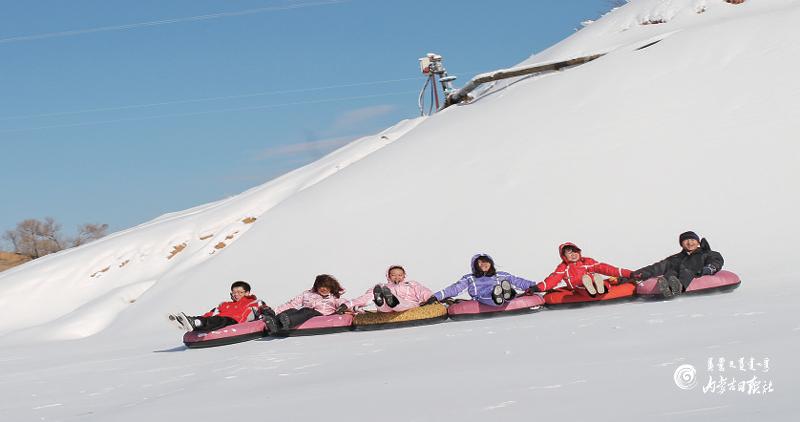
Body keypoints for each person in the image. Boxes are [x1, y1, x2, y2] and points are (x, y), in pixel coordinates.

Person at [630, 231, 724, 297]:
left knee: (687, 271)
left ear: (698, 242)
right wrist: (638, 273)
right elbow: (658, 266)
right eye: (686, 240)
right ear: (681, 244)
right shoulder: (676, 258)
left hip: (696, 272)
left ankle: (679, 287)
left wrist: (709, 268)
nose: (690, 243)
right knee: (671, 273)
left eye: (692, 240)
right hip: (674, 275)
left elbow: (716, 261)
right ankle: (666, 288)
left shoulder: (706, 253)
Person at [423, 253, 535, 306]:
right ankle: (499, 295)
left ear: (490, 263)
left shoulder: (501, 275)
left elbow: (519, 282)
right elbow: (454, 289)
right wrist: (436, 297)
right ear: (475, 265)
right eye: (480, 262)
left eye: (486, 261)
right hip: (483, 297)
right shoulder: (470, 278)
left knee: (504, 286)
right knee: (490, 294)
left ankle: (507, 294)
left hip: (500, 291)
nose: (483, 264)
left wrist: (536, 286)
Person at [533, 242, 632, 297]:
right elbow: (553, 279)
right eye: (570, 253)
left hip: (593, 281)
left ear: (579, 252)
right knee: (583, 285)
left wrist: (629, 274)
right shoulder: (563, 267)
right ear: (563, 256)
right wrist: (538, 288)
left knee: (599, 280)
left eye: (575, 252)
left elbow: (606, 268)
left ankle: (600, 287)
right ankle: (593, 288)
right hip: (579, 287)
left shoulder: (587, 261)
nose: (573, 255)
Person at [264, 274, 349, 334]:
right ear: (316, 286)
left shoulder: (334, 298)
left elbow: (344, 304)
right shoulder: (307, 294)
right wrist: (274, 311)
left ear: (331, 288)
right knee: (292, 310)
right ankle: (274, 322)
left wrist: (347, 309)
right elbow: (291, 304)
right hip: (304, 312)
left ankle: (288, 322)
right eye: (321, 286)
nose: (323, 289)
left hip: (321, 315)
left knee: (308, 311)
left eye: (326, 287)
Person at [171, 281, 269, 331]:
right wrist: (201, 318)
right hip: (218, 320)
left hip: (234, 321)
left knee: (219, 319)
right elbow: (210, 313)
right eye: (234, 292)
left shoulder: (255, 302)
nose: (236, 294)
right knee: (211, 318)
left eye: (239, 292)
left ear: (247, 293)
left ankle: (196, 323)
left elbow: (265, 312)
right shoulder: (224, 304)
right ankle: (187, 321)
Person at [345, 265, 435, 312]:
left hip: (408, 303)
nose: (397, 277)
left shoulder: (410, 284)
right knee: (384, 305)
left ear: (404, 276)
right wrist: (348, 305)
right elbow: (366, 297)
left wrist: (430, 298)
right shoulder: (383, 287)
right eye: (393, 275)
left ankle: (392, 301)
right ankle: (380, 301)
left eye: (400, 275)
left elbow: (423, 291)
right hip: (387, 308)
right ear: (388, 276)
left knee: (403, 304)